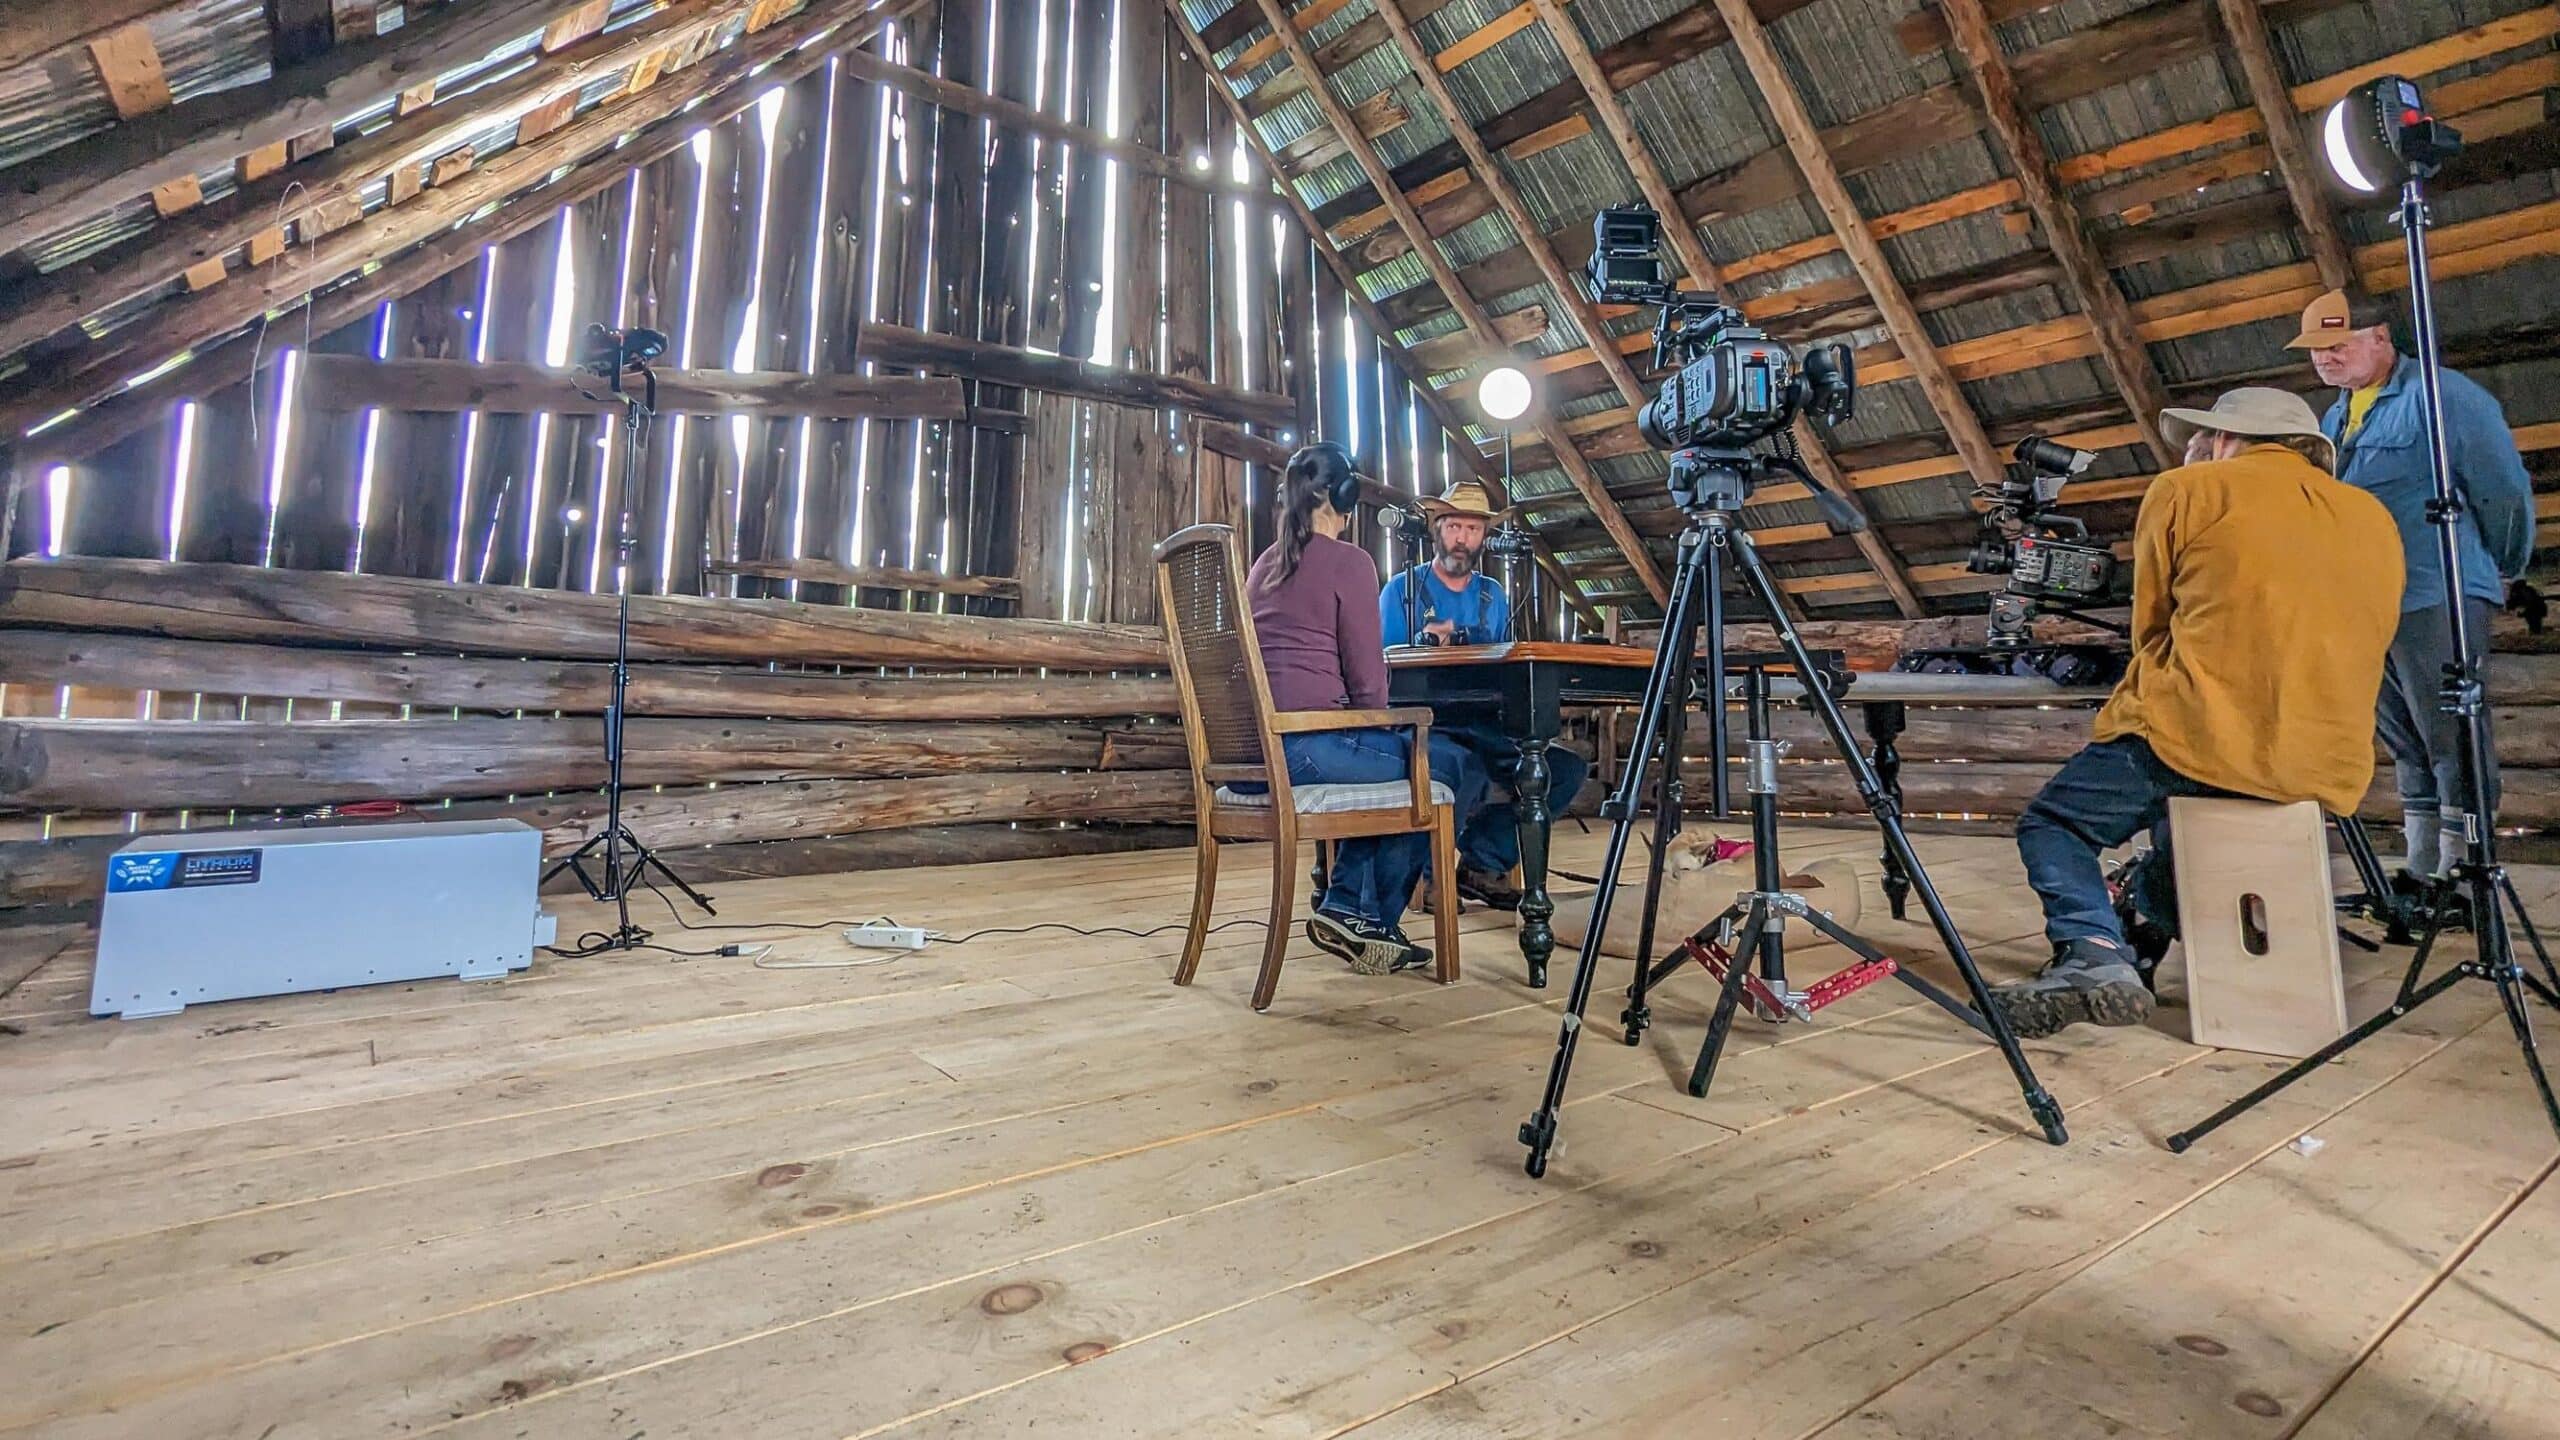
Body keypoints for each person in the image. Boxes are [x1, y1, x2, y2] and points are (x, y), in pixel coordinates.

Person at [1993, 388, 2404, 1039]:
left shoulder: (2188, 489)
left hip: (2201, 731)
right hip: (2320, 758)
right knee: (2182, 827)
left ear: (2224, 438)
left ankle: (2092, 954)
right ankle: (2139, 927)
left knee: (2056, 823)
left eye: (2201, 438)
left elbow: (2151, 626)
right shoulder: (2372, 516)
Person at [2287, 288, 2535, 890]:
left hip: (2435, 591)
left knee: (2451, 735)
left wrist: (2504, 568)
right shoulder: (2334, 416)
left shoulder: (2445, 397)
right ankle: (2423, 869)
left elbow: (2503, 489)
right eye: (2317, 348)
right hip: (2367, 605)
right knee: (2404, 740)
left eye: (2338, 343)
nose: (2326, 358)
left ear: (2380, 338)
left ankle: (2465, 873)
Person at [1247, 444, 1487, 975]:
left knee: (1401, 763)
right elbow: (1368, 691)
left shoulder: (1265, 563)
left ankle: (1350, 907)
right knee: (1450, 765)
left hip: (1253, 757)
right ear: (1347, 495)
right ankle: (1366, 914)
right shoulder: (1349, 562)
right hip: (1307, 748)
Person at [1378, 479, 1590, 910]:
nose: (1462, 538)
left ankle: (1482, 863)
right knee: (1463, 768)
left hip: (1487, 722)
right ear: (1437, 530)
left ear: (1483, 536)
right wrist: (1423, 641)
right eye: (1454, 527)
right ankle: (1431, 876)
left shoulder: (1493, 595)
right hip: (1429, 721)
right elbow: (1385, 665)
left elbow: (1506, 664)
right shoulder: (1402, 591)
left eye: (1472, 529)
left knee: (1563, 770)